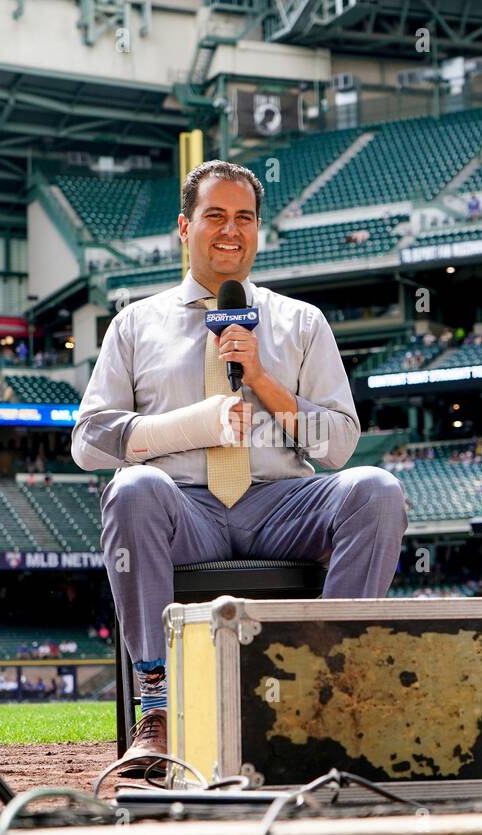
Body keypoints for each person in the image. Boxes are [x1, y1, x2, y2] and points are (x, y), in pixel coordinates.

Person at [72, 160, 407, 766]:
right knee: (132, 489)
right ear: (184, 226)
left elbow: (337, 446)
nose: (231, 230)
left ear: (257, 230)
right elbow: (89, 442)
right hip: (185, 508)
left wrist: (261, 379)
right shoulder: (135, 323)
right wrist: (192, 425)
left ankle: (330, 692)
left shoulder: (301, 321)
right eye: (215, 216)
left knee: (376, 489)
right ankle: (159, 708)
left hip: (281, 501)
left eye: (244, 218)